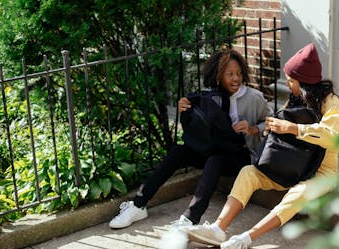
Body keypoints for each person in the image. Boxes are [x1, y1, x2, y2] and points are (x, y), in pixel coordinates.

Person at [184, 43, 339, 249]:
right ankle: (219, 229)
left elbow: (330, 135)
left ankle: (245, 239)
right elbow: (282, 133)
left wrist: (292, 128)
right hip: (291, 165)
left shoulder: (330, 102)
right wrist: (271, 127)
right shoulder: (296, 99)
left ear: (303, 82)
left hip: (322, 174)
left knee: (297, 194)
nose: (287, 84)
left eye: (291, 80)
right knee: (249, 173)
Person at [109, 49, 272, 229]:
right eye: (230, 74)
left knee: (215, 159)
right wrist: (183, 108)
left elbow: (273, 121)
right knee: (178, 151)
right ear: (218, 76)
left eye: (239, 74)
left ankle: (190, 219)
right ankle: (138, 204)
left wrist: (253, 128)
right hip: (213, 150)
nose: (236, 79)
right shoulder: (210, 97)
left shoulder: (253, 97)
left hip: (240, 157)